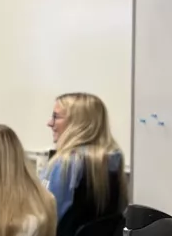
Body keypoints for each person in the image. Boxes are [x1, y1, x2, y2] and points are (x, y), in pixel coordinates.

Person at [45, 92, 125, 222]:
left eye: (56, 117)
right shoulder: (113, 159)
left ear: (78, 123)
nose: (49, 123)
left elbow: (45, 220)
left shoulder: (66, 163)